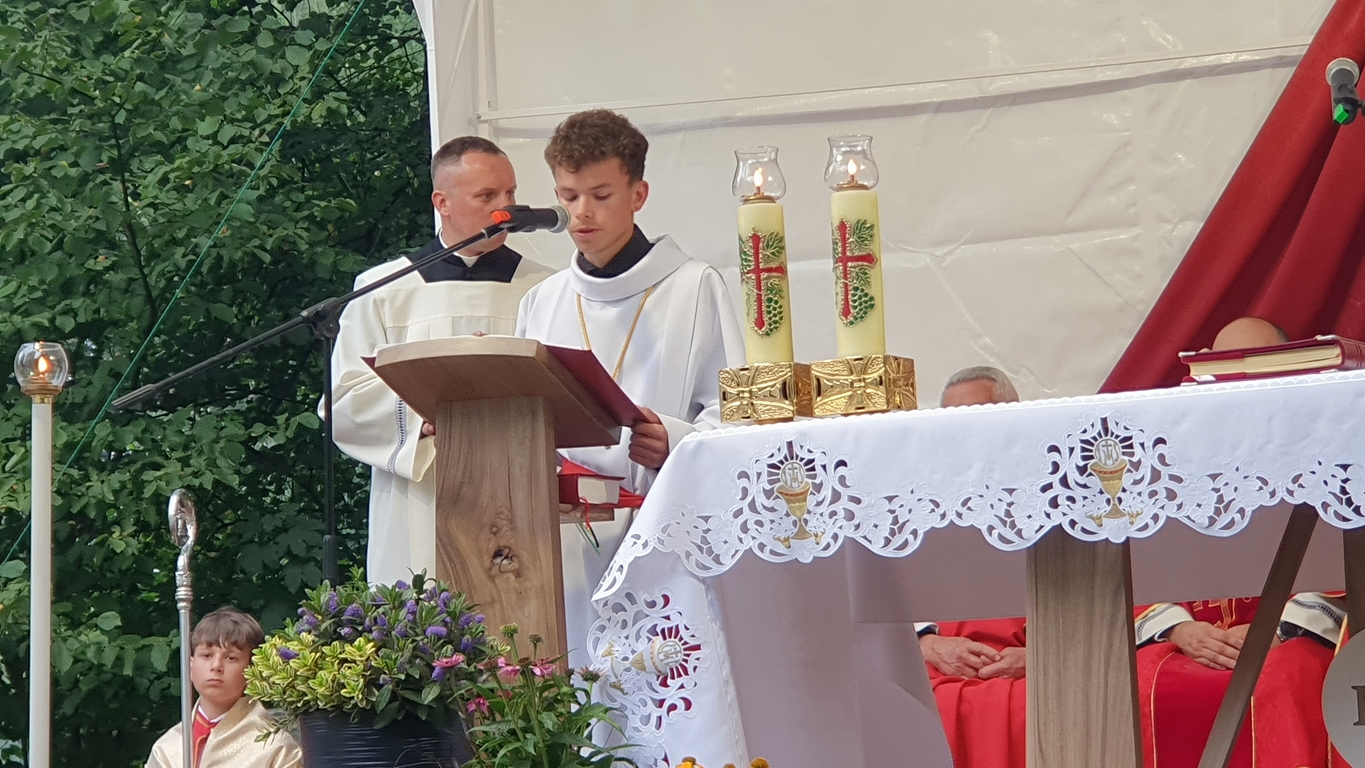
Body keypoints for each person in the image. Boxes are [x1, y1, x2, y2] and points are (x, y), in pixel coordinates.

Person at [515, 109, 743, 665]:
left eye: (600, 195)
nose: (581, 213)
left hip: (661, 531)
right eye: (568, 196)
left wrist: (677, 440)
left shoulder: (692, 287)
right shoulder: (543, 301)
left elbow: (736, 410)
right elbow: (522, 417)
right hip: (563, 544)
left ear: (638, 194)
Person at [330, 136, 554, 584]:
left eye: (510, 193)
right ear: (442, 202)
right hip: (421, 494)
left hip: (519, 485)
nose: (506, 208)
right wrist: (420, 411)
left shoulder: (545, 289)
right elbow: (342, 401)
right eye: (487, 196)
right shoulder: (384, 289)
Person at [1134, 315, 1345, 768]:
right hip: (1197, 637)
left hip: (1290, 636)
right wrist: (1180, 629)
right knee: (1144, 680)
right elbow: (1141, 567)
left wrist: (1279, 628)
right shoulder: (1174, 465)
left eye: (1252, 368)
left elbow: (1346, 566)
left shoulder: (1329, 450)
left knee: (1286, 681)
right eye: (1223, 369)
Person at [919, 366, 1029, 768]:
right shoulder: (919, 502)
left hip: (1033, 663)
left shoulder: (1054, 496)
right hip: (939, 662)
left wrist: (1041, 658)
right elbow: (883, 596)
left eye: (979, 418)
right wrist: (927, 645)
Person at [146, 607, 300, 768]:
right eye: (206, 655)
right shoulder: (167, 749)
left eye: (231, 658)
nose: (216, 666)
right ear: (190, 666)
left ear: (252, 670)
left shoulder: (276, 747)